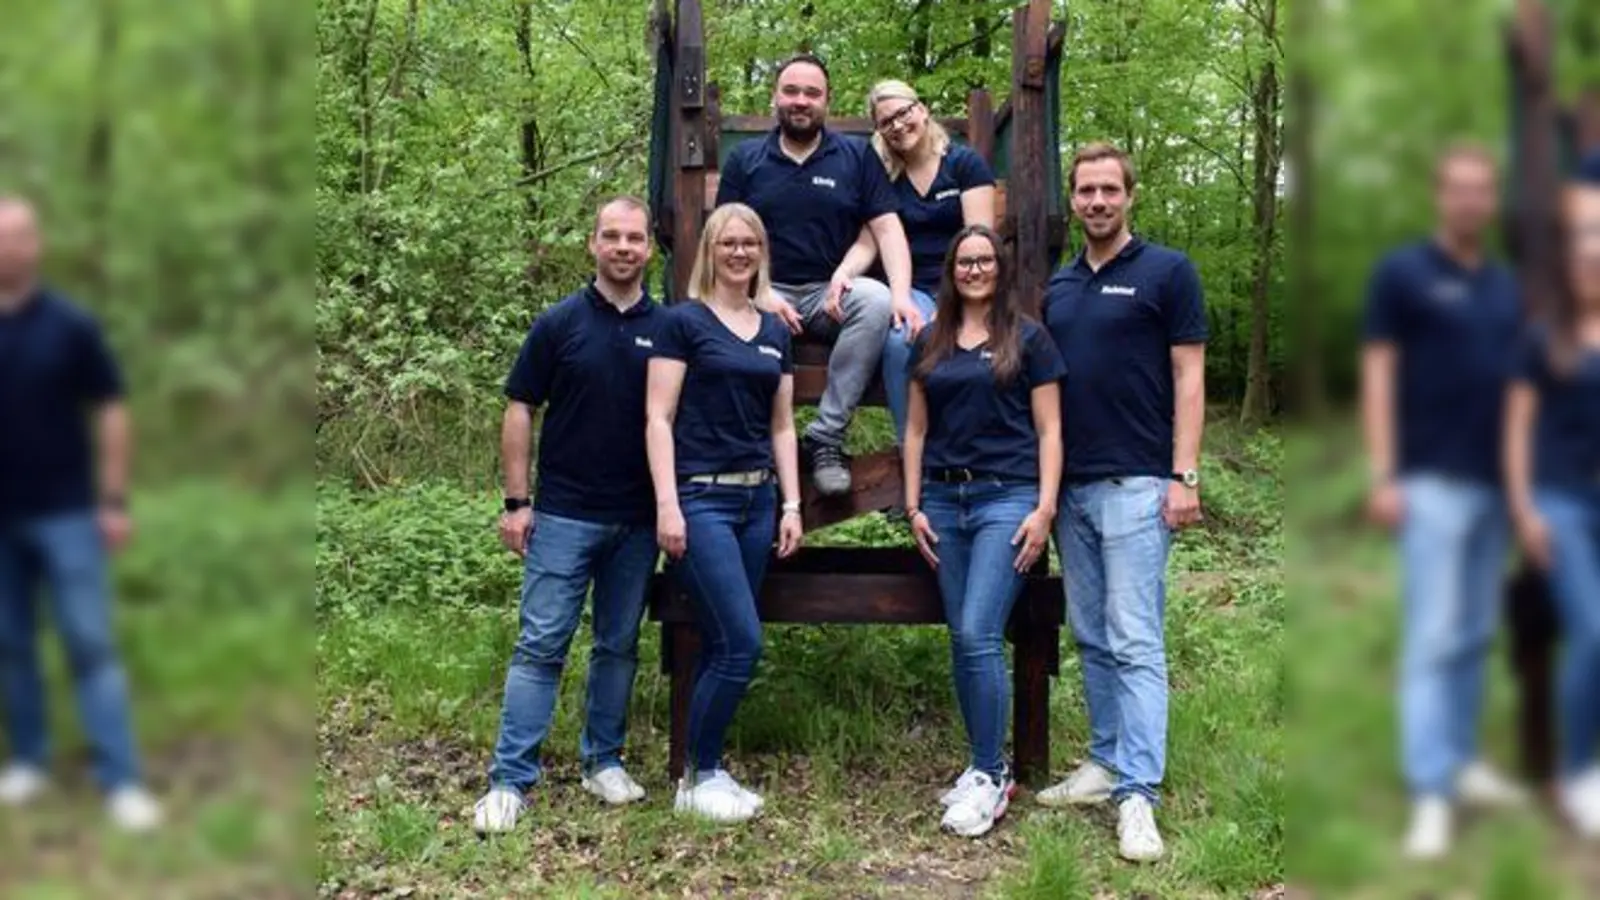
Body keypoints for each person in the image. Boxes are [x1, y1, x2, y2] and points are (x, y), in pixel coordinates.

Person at [1031, 143, 1206, 863]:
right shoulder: (1059, 286)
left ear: (1131, 195)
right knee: (1092, 635)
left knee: (1134, 638)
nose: (1098, 201)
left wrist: (1184, 475)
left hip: (1139, 484)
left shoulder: (1168, 272)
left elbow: (1189, 377)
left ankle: (1139, 793)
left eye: (1110, 189)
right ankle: (1104, 762)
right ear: (1072, 200)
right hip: (1072, 488)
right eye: (1086, 191)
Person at [1358, 144, 1529, 860]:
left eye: (1480, 190)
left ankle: (1461, 760)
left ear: (1492, 200)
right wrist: (1383, 474)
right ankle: (1430, 792)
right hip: (1428, 481)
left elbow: (1523, 390)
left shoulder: (1507, 287)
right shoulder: (1402, 275)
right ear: (1439, 196)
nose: (1469, 201)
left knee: (1474, 632)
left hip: (1496, 486)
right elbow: (1378, 373)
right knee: (1431, 635)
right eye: (1457, 189)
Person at [474, 196, 662, 835]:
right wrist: (516, 502)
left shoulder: (668, 329)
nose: (623, 247)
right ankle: (509, 781)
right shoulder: (558, 323)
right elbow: (520, 407)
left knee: (618, 645)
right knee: (540, 646)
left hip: (638, 520)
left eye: (634, 237)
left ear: (650, 248)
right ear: (593, 244)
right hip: (563, 516)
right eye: (612, 236)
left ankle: (603, 761)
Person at [0, 196, 162, 832]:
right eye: (0, 238)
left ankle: (121, 780)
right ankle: (30, 762)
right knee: (12, 645)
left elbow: (112, 406)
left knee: (90, 646)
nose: (9, 248)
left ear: (36, 245)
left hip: (67, 514)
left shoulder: (71, 326)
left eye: (19, 236)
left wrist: (114, 499)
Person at [645, 203, 805, 824]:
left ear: (762, 252)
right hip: (701, 500)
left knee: (722, 642)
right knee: (742, 642)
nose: (740, 253)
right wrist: (668, 505)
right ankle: (696, 776)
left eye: (750, 243)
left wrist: (791, 504)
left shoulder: (774, 331)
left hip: (757, 501)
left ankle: (708, 771)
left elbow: (783, 426)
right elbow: (658, 418)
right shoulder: (682, 323)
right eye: (728, 243)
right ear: (710, 251)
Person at [901, 225, 1062, 838]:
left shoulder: (1029, 338)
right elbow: (915, 430)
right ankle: (982, 767)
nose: (974, 270)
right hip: (943, 503)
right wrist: (913, 505)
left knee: (978, 633)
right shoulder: (930, 339)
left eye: (984, 260)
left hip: (1007, 499)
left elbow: (1050, 430)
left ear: (1000, 268)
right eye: (964, 261)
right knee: (963, 639)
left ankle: (990, 775)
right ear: (951, 271)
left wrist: (1044, 509)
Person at [715, 53, 922, 497]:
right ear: (775, 97)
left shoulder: (855, 156)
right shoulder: (746, 160)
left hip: (828, 296)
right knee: (720, 323)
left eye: (812, 93)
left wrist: (902, 294)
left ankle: (825, 439)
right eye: (791, 91)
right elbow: (720, 241)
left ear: (827, 101)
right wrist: (759, 293)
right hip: (762, 294)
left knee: (875, 300)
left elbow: (887, 229)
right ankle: (753, 447)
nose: (801, 101)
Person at [1503, 150, 1600, 841]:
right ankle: (1574, 775)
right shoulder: (1542, 338)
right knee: (1591, 633)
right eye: (1582, 245)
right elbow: (1516, 429)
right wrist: (1524, 509)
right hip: (1558, 504)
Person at [844, 79, 997, 445]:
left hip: (966, 284)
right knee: (902, 339)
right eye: (886, 122)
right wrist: (842, 275)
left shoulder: (963, 164)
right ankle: (910, 450)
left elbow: (981, 241)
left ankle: (967, 447)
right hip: (912, 290)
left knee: (969, 344)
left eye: (903, 113)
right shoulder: (884, 178)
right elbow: (868, 241)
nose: (898, 125)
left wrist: (952, 307)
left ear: (922, 110)